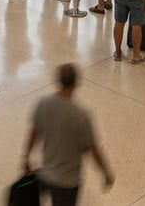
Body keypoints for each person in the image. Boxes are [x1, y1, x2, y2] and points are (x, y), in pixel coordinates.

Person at [21, 63, 114, 205]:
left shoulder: (43, 103)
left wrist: (26, 157)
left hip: (46, 173)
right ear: (76, 83)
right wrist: (106, 173)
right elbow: (93, 150)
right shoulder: (81, 116)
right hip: (68, 181)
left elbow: (34, 132)